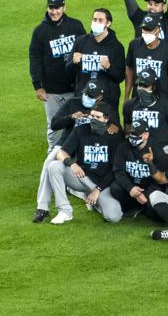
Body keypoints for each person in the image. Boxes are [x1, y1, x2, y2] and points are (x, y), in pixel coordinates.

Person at [33, 81, 121, 223]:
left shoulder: (106, 108)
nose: (87, 97)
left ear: (99, 98)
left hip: (92, 151)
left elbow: (116, 127)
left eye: (91, 96)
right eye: (86, 94)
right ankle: (43, 208)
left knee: (113, 215)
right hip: (68, 143)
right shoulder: (73, 103)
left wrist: (115, 126)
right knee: (50, 164)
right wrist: (71, 117)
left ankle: (82, 193)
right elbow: (54, 124)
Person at [30, 0, 86, 150]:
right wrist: (37, 86)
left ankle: (73, 156)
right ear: (47, 8)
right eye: (51, 8)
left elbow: (86, 48)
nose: (54, 12)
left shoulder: (75, 26)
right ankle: (52, 156)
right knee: (54, 125)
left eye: (57, 8)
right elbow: (34, 58)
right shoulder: (40, 31)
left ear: (64, 7)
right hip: (52, 91)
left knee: (78, 123)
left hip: (74, 87)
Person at [106, 120, 168, 223]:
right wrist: (130, 188)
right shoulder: (123, 147)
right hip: (132, 187)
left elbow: (163, 178)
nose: (133, 137)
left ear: (146, 135)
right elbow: (118, 171)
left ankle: (144, 208)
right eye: (132, 134)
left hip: (150, 187)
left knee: (156, 214)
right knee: (115, 188)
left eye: (137, 135)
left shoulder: (156, 149)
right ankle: (133, 207)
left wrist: (146, 193)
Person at [122, 69, 168, 167]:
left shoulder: (166, 106)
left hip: (163, 150)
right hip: (138, 149)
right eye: (139, 85)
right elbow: (127, 132)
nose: (141, 88)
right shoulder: (130, 105)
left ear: (154, 86)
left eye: (145, 86)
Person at [68, 8, 126, 110]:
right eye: (94, 19)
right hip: (83, 98)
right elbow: (68, 70)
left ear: (108, 23)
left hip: (107, 101)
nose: (96, 23)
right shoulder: (80, 42)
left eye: (100, 20)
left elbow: (120, 77)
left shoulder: (117, 47)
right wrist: (73, 62)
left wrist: (109, 67)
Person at [124, 15, 168, 103]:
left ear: (158, 30)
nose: (146, 32)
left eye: (149, 29)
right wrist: (126, 96)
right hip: (138, 98)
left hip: (161, 99)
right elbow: (129, 69)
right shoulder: (134, 45)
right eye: (144, 29)